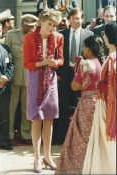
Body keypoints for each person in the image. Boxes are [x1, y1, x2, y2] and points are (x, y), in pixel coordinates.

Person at [55, 35, 104, 174]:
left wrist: (77, 71)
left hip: (86, 104)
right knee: (93, 138)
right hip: (99, 103)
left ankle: (77, 169)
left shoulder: (85, 64)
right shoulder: (102, 62)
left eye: (84, 47)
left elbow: (74, 86)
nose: (83, 50)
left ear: (88, 49)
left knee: (80, 139)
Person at [23, 9, 64, 173]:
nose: (52, 28)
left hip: (50, 77)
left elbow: (61, 59)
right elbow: (27, 63)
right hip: (34, 77)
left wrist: (56, 63)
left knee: (49, 119)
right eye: (49, 25)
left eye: (54, 25)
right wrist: (44, 62)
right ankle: (37, 159)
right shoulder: (29, 38)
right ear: (41, 22)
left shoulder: (59, 37)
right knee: (36, 119)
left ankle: (48, 157)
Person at [53, 7, 93, 144]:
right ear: (69, 19)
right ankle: (61, 138)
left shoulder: (89, 34)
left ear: (82, 19)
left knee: (79, 106)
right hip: (64, 75)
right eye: (74, 18)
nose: (76, 20)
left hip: (81, 75)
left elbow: (92, 55)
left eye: (79, 18)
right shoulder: (61, 34)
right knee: (63, 106)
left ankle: (79, 138)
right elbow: (56, 54)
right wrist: (57, 74)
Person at [82, 21, 116, 174]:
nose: (103, 36)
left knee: (105, 142)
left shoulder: (112, 60)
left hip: (107, 105)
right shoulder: (111, 58)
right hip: (107, 103)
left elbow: (110, 86)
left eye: (105, 33)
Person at [5, 14, 38, 145]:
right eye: (27, 25)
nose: (29, 28)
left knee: (26, 108)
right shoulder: (12, 35)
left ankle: (25, 134)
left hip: (30, 76)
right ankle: (9, 134)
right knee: (11, 108)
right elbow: (5, 53)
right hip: (14, 76)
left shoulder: (36, 36)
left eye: (32, 26)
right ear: (21, 24)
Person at [0, 21, 14, 150]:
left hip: (4, 88)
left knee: (3, 116)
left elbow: (11, 65)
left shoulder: (5, 48)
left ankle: (3, 141)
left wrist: (7, 77)